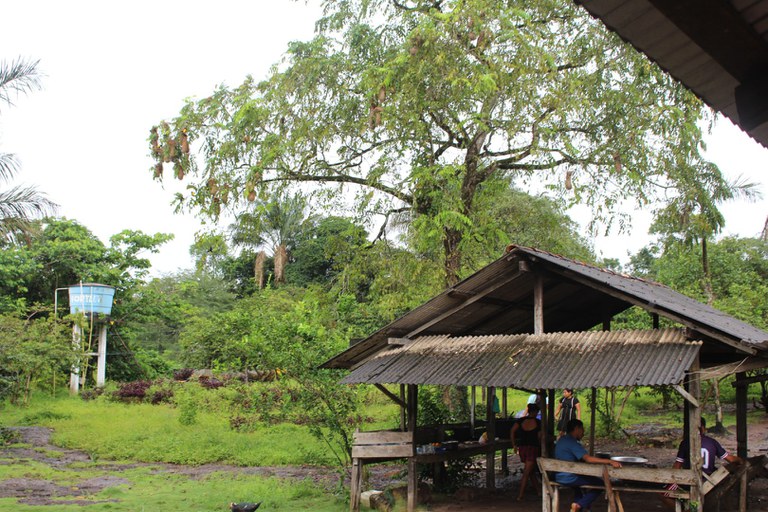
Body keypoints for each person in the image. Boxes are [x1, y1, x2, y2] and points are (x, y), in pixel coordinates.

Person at [660, 417, 743, 511]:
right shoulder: (712, 442)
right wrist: (740, 460)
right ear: (703, 428)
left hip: (691, 481)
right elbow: (730, 459)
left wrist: (669, 479)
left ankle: (686, 510)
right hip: (709, 480)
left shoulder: (686, 443)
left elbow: (677, 466)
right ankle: (691, 508)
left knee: (663, 493)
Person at [555, 419, 621, 512]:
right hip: (569, 477)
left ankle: (578, 508)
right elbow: (588, 459)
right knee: (601, 483)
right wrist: (609, 461)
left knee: (578, 487)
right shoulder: (572, 443)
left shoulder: (562, 440)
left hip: (558, 476)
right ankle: (579, 505)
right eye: (582, 429)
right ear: (576, 428)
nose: (583, 432)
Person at [510, 403, 542, 501]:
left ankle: (539, 491)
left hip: (522, 448)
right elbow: (540, 437)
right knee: (527, 472)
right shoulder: (538, 423)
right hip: (532, 448)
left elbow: (512, 431)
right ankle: (520, 495)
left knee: (531, 471)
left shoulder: (520, 421)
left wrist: (514, 444)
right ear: (535, 412)